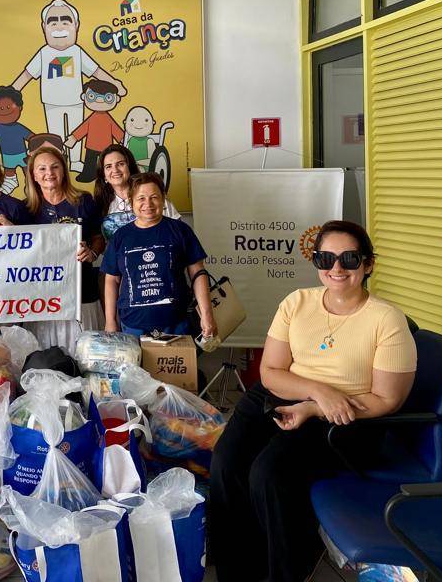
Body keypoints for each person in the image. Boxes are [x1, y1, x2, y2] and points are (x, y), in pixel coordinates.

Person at [208, 220, 417, 582]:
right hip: (285, 393)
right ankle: (237, 572)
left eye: (349, 259)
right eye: (326, 258)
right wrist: (319, 391)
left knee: (268, 474)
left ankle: (285, 573)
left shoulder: (387, 320)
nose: (337, 268)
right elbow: (271, 371)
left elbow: (388, 399)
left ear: (368, 264)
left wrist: (317, 407)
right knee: (226, 463)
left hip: (344, 417)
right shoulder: (297, 302)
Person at [11, 0, 127, 172]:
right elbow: (27, 75)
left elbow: (96, 71)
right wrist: (10, 93)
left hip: (75, 100)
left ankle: (75, 160)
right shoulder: (44, 53)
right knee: (56, 135)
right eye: (53, 22)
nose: (59, 27)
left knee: (76, 131)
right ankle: (59, 162)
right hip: (51, 102)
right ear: (44, 27)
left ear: (76, 25)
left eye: (65, 21)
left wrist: (115, 83)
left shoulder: (77, 52)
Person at [101, 172, 215, 337]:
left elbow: (198, 273)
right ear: (131, 201)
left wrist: (206, 314)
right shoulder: (120, 236)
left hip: (176, 323)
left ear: (163, 199)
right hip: (132, 325)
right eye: (141, 198)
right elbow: (112, 280)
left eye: (154, 197)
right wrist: (110, 321)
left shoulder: (181, 231)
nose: (148, 204)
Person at [24, 145, 105, 354]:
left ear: (63, 170)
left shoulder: (83, 201)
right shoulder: (26, 210)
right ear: (33, 175)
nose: (49, 173)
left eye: (55, 167)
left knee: (86, 357)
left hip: (82, 295)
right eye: (42, 169)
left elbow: (99, 237)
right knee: (48, 360)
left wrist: (92, 252)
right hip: (43, 300)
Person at [93, 143, 180, 242]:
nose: (115, 170)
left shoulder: (154, 196)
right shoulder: (100, 204)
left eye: (120, 164)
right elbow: (99, 243)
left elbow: (179, 233)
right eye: (108, 166)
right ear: (104, 175)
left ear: (129, 167)